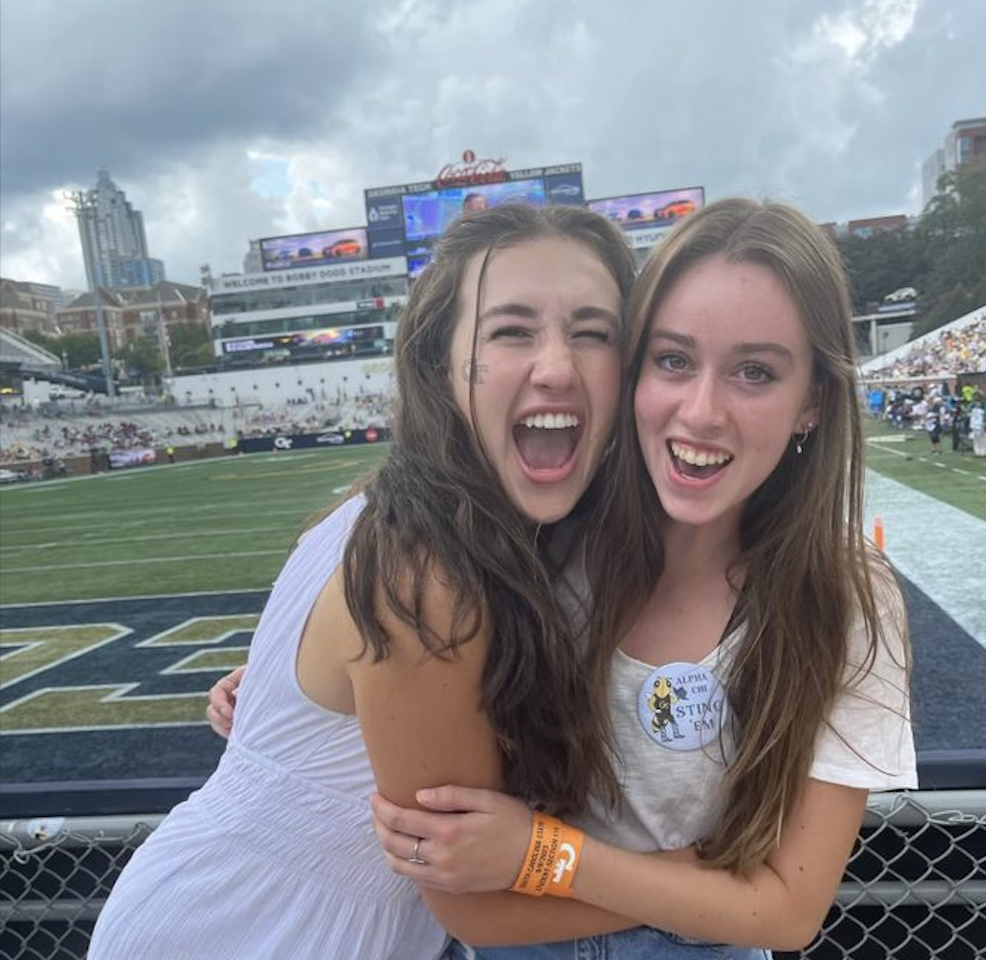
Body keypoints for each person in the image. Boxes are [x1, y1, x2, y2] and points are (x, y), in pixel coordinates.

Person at [88, 204, 638, 960]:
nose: (557, 365)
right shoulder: (428, 576)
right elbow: (477, 905)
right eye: (511, 330)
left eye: (593, 331)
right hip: (251, 929)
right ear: (443, 366)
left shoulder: (390, 508)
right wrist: (721, 898)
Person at [368, 199, 916, 957]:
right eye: (673, 360)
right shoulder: (541, 527)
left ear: (812, 402)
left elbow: (790, 910)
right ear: (631, 370)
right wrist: (294, 673)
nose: (701, 411)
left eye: (755, 372)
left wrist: (540, 854)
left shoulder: (846, 592)